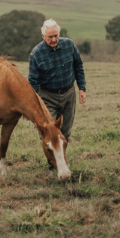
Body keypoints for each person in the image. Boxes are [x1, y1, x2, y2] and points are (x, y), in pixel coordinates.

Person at [28, 19, 86, 157]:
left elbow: (78, 65)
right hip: (47, 97)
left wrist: (82, 88)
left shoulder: (69, 45)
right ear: (43, 36)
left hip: (68, 94)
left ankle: (61, 160)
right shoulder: (36, 54)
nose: (54, 39)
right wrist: (33, 104)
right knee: (48, 132)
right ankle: (52, 163)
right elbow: (33, 81)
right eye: (50, 37)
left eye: (56, 36)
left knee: (65, 132)